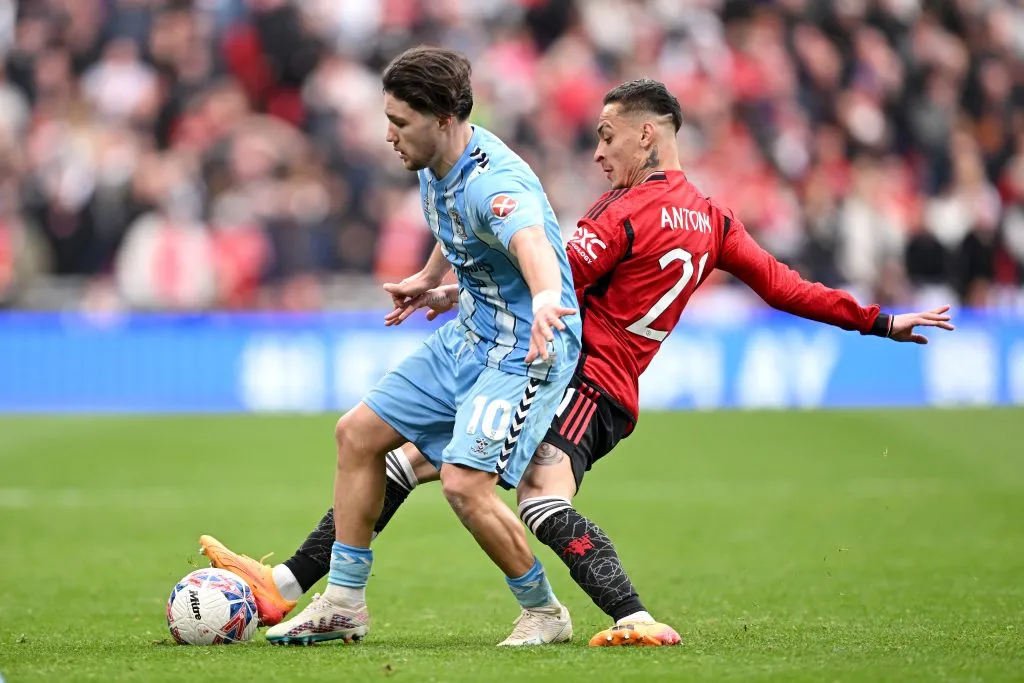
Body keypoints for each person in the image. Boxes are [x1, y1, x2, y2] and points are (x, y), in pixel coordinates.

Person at [202, 79, 954, 647]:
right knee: (400, 461)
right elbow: (786, 286)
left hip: (576, 378)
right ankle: (292, 583)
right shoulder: (715, 218)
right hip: (613, 389)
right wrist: (880, 320)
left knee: (529, 495)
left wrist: (450, 287)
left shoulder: (627, 214)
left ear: (649, 140)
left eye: (607, 138)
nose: (597, 153)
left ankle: (625, 613)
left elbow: (549, 279)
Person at [249, 45, 583, 647]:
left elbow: (529, 241)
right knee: (357, 433)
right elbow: (458, 224)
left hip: (523, 349)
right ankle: (345, 602)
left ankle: (545, 613)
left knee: (462, 482)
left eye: (400, 122)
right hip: (469, 330)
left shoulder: (497, 185)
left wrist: (542, 302)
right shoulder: (436, 164)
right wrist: (435, 281)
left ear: (444, 120)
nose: (388, 135)